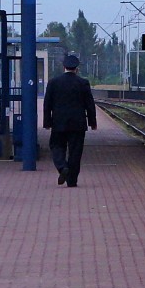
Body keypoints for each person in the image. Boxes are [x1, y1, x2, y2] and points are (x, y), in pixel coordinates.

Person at [43, 53, 97, 188]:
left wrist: (47, 123)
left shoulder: (53, 82)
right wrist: (92, 122)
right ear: (76, 69)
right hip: (78, 124)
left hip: (58, 123)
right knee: (75, 152)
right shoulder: (83, 83)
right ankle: (72, 181)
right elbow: (89, 104)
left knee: (56, 146)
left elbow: (47, 104)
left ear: (64, 67)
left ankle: (62, 167)